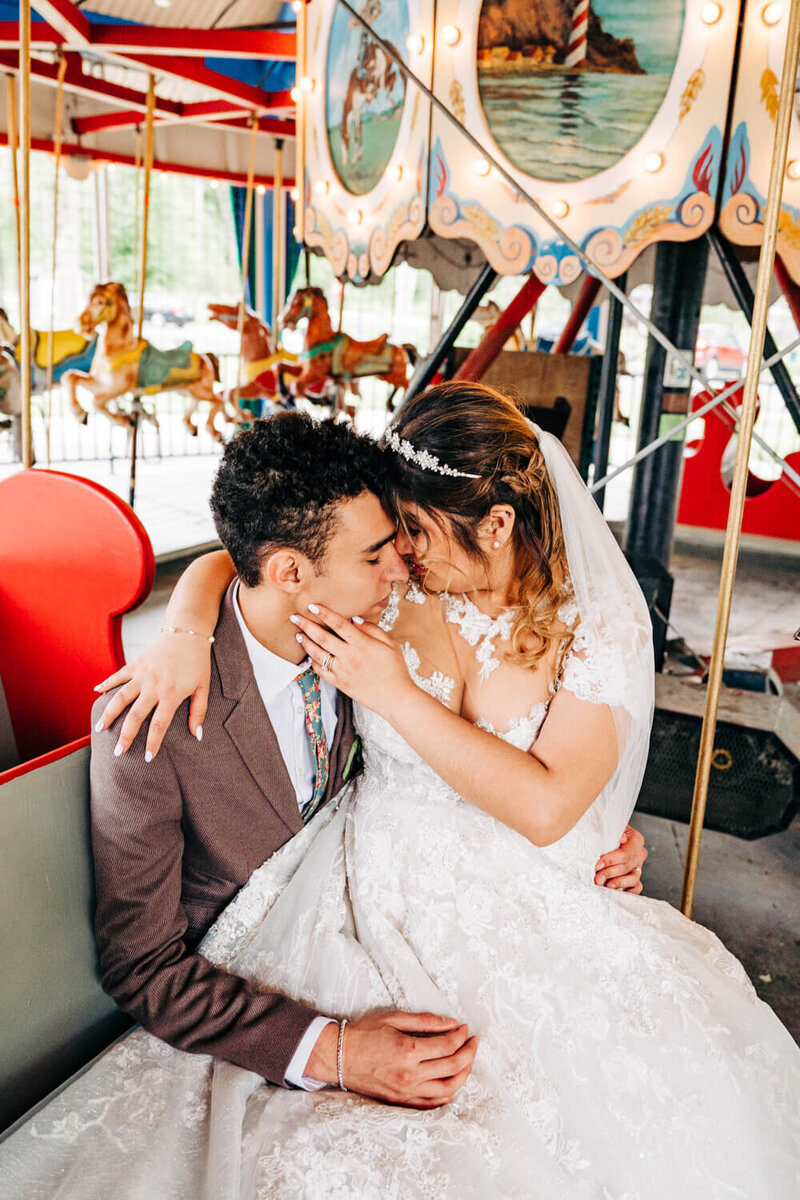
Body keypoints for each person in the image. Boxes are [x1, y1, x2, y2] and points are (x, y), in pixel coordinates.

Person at [4, 385, 797, 1198]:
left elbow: (548, 800)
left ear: (494, 524)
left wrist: (592, 829)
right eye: (385, 543)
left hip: (522, 903)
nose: (403, 561)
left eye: (410, 534)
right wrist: (182, 623)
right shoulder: (344, 607)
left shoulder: (403, 595)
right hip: (349, 900)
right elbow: (251, 559)